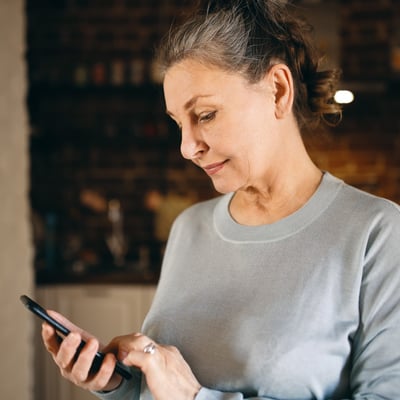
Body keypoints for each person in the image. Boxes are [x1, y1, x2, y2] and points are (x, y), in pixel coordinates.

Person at [41, 1, 400, 399]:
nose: (186, 147)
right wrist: (116, 383)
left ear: (278, 91)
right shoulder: (189, 228)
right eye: (179, 123)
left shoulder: (377, 233)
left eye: (206, 115)